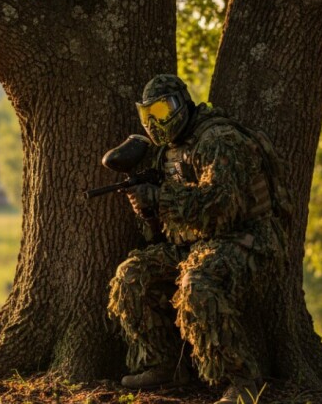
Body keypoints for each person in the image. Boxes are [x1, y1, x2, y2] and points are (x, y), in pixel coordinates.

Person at [107, 75, 291, 404]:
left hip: (247, 240)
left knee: (197, 283)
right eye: (148, 115)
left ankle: (243, 380)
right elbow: (164, 229)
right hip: (197, 244)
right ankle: (164, 364)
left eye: (163, 110)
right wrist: (147, 208)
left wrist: (160, 198)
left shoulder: (217, 139)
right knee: (131, 274)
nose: (156, 122)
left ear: (182, 104)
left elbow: (221, 209)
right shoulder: (168, 151)